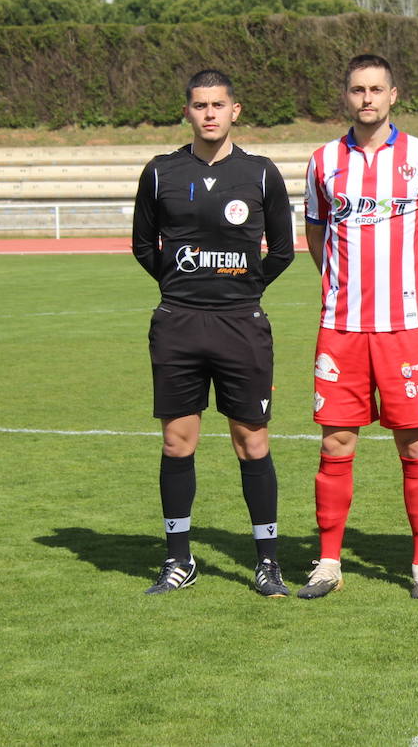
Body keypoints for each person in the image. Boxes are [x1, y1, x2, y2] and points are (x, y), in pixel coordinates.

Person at [131, 69, 296, 596]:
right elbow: (142, 246)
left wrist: (241, 289)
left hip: (240, 325)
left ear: (234, 111)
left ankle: (267, 561)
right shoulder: (160, 173)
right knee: (178, 442)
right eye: (199, 105)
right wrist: (185, 286)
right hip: (178, 323)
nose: (208, 113)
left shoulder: (262, 174)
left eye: (217, 105)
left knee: (251, 441)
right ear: (188, 112)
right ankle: (179, 559)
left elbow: (284, 251)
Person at [299, 54, 418, 601]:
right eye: (356, 90)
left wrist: (417, 292)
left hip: (404, 329)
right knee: (336, 442)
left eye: (376, 89)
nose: (366, 98)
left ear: (394, 94)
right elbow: (317, 238)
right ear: (346, 97)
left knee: (414, 445)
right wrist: (342, 287)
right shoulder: (322, 162)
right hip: (341, 328)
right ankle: (327, 561)